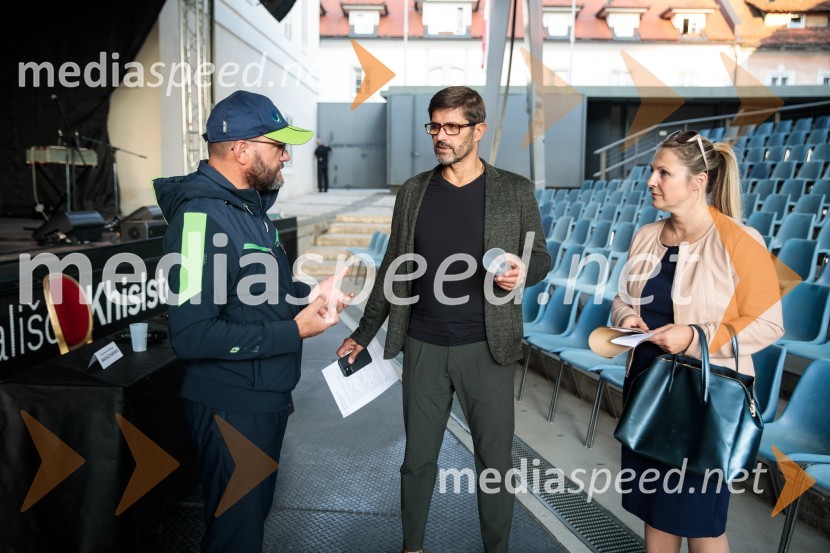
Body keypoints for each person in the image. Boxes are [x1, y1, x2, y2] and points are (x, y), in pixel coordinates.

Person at [336, 86, 550, 553]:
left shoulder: (514, 190)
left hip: (487, 348)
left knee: (494, 464)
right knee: (417, 462)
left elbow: (541, 259)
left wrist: (521, 271)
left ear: (479, 130)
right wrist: (362, 333)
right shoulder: (414, 191)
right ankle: (411, 546)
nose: (441, 136)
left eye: (453, 127)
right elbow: (393, 269)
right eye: (435, 126)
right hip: (423, 347)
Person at [154, 90, 352, 553]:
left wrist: (309, 294)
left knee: (247, 527)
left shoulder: (252, 212)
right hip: (232, 407)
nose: (287, 155)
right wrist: (295, 329)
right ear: (240, 149)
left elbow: (259, 293)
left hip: (262, 398)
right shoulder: (200, 219)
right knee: (236, 538)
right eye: (277, 144)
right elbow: (191, 334)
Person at [611, 129, 784, 552]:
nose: (651, 180)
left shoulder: (741, 242)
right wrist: (627, 317)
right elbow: (620, 298)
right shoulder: (645, 236)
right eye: (653, 171)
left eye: (663, 172)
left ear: (698, 180)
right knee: (656, 514)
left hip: (704, 400)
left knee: (699, 524)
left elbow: (768, 325)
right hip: (647, 391)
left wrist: (694, 336)